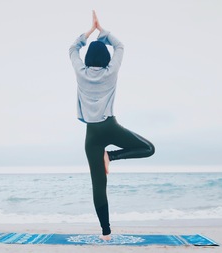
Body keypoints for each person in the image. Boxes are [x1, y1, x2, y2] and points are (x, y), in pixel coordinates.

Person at [69, 10, 155, 240]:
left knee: (98, 185)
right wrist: (101, 31)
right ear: (106, 60)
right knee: (149, 149)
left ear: (87, 60)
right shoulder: (111, 71)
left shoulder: (81, 72)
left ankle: (106, 233)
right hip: (110, 126)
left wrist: (88, 32)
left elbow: (72, 49)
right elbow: (120, 47)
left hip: (92, 135)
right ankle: (113, 157)